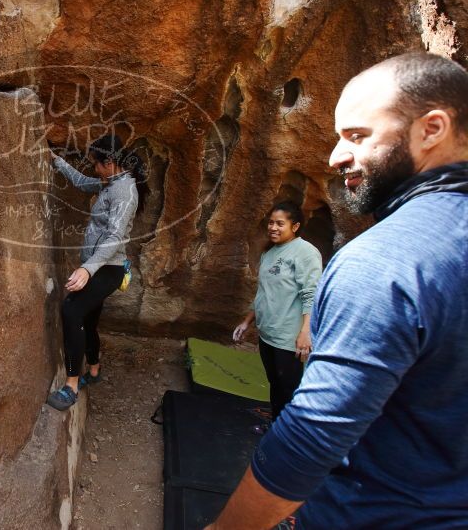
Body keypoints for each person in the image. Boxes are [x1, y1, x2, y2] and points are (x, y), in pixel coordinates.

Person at [207, 52, 468, 529]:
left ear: (431, 129)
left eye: (357, 136)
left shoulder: (387, 262)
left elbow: (311, 437)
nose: (335, 156)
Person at [46, 134, 148, 411]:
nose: (95, 169)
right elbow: (82, 183)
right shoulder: (110, 182)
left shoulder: (125, 192)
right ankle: (94, 370)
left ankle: (71, 386)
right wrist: (56, 162)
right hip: (98, 267)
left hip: (107, 269)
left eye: (97, 164)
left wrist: (87, 269)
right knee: (88, 320)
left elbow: (114, 236)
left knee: (71, 311)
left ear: (111, 162)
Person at [233, 201, 322, 434]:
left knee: (288, 389)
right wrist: (246, 322)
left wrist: (306, 332)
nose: (273, 227)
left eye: (280, 223)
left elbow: (311, 294)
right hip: (268, 334)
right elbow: (263, 294)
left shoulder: (305, 253)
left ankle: (288, 437)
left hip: (288, 337)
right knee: (276, 384)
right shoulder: (270, 253)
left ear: (295, 226)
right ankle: (275, 425)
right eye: (271, 222)